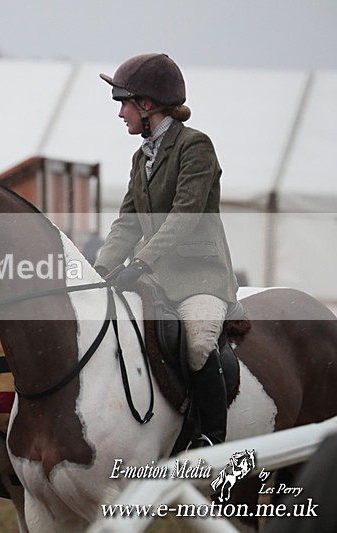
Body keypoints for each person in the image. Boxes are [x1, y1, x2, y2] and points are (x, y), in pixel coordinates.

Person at [93, 54, 239, 447]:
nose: (120, 113)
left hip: (199, 278)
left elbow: (185, 214)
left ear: (148, 105)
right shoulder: (141, 158)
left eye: (124, 103)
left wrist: (140, 262)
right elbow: (127, 222)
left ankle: (212, 440)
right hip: (156, 277)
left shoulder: (195, 146)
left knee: (197, 343)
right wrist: (98, 269)